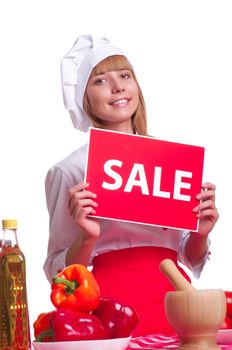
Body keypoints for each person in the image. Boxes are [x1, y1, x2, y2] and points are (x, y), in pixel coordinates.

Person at [44, 35, 219, 337]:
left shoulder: (172, 161)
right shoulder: (70, 171)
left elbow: (187, 256)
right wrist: (87, 237)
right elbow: (59, 275)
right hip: (110, 307)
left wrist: (200, 233)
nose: (118, 87)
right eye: (100, 80)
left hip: (175, 303)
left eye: (125, 76)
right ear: (84, 98)